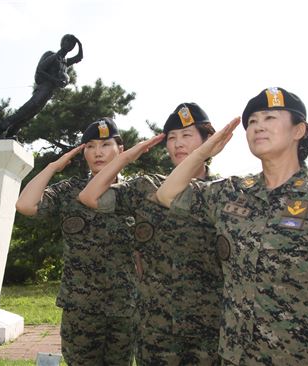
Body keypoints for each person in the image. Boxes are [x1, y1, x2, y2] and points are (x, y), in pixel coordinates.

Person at [156, 87, 308, 365]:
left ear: (299, 130)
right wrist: (202, 152)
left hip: (299, 357)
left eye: (269, 118)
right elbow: (167, 194)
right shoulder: (232, 192)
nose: (258, 127)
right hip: (234, 357)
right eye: (252, 122)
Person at [79, 103, 223, 365]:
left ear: (208, 141)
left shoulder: (225, 194)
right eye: (172, 138)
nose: (178, 144)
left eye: (187, 135)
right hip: (155, 329)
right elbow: (89, 196)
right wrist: (124, 158)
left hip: (208, 329)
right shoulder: (146, 187)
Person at [15, 118, 137, 365]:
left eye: (105, 144)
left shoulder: (136, 192)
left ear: (121, 149)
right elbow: (25, 205)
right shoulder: (69, 191)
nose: (98, 152)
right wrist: (52, 167)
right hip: (80, 308)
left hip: (124, 308)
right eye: (90, 146)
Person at [0, 34, 83, 139]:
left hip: (49, 93)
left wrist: (79, 43)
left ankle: (11, 133)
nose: (70, 45)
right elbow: (40, 70)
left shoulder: (65, 62)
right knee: (26, 109)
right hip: (43, 88)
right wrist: (55, 80)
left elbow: (80, 57)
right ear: (62, 42)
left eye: (72, 44)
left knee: (30, 115)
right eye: (68, 42)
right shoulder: (53, 56)